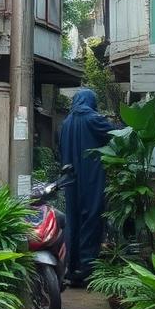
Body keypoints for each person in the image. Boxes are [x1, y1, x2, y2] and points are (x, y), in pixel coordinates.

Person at [58, 87, 114, 285]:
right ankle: (87, 266)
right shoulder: (93, 119)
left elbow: (60, 151)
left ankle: (70, 267)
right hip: (91, 177)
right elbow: (117, 134)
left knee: (72, 220)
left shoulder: (66, 123)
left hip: (70, 180)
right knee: (91, 216)